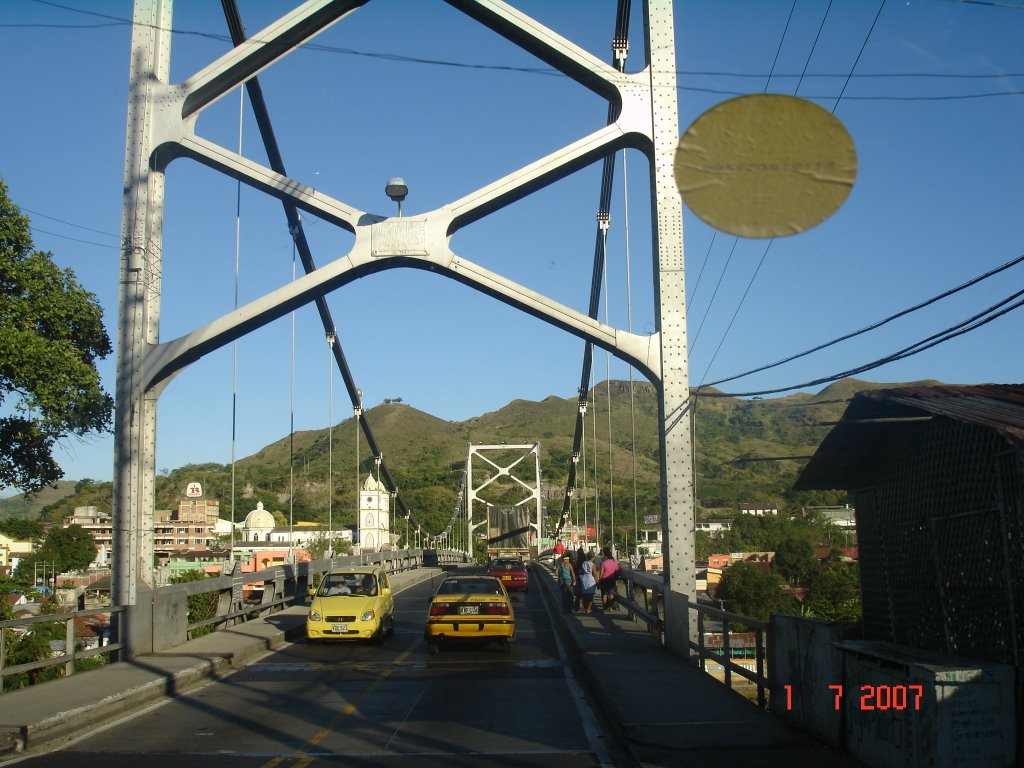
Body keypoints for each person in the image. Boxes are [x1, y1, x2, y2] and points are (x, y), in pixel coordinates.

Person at [598, 547, 619, 611]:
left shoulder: (604, 563)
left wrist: (599, 580)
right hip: (612, 580)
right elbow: (617, 570)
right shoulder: (614, 563)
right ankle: (610, 607)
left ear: (606, 556)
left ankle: (604, 607)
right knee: (611, 594)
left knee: (604, 594)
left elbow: (601, 573)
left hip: (604, 580)